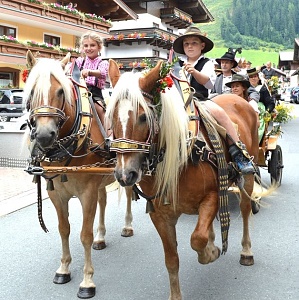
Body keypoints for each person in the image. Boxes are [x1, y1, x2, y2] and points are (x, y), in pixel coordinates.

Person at [172, 26, 254, 175]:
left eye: (194, 43)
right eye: (186, 44)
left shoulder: (207, 63)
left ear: (202, 46)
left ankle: (239, 154)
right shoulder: (176, 64)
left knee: (220, 113)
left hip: (200, 101)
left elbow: (209, 84)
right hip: (177, 103)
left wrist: (195, 72)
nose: (190, 46)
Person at [75, 31, 109, 129]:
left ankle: (107, 134)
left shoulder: (103, 62)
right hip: (79, 92)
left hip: (94, 94)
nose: (89, 48)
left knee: (99, 110)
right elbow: (71, 71)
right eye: (86, 46)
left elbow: (103, 73)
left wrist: (90, 72)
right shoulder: (79, 61)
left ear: (99, 47)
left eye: (92, 45)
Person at [247, 67, 276, 143]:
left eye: (255, 76)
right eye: (251, 77)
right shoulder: (245, 89)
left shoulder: (262, 88)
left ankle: (255, 142)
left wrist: (267, 111)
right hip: (247, 110)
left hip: (260, 112)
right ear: (248, 79)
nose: (253, 78)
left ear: (258, 78)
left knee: (258, 124)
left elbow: (270, 103)